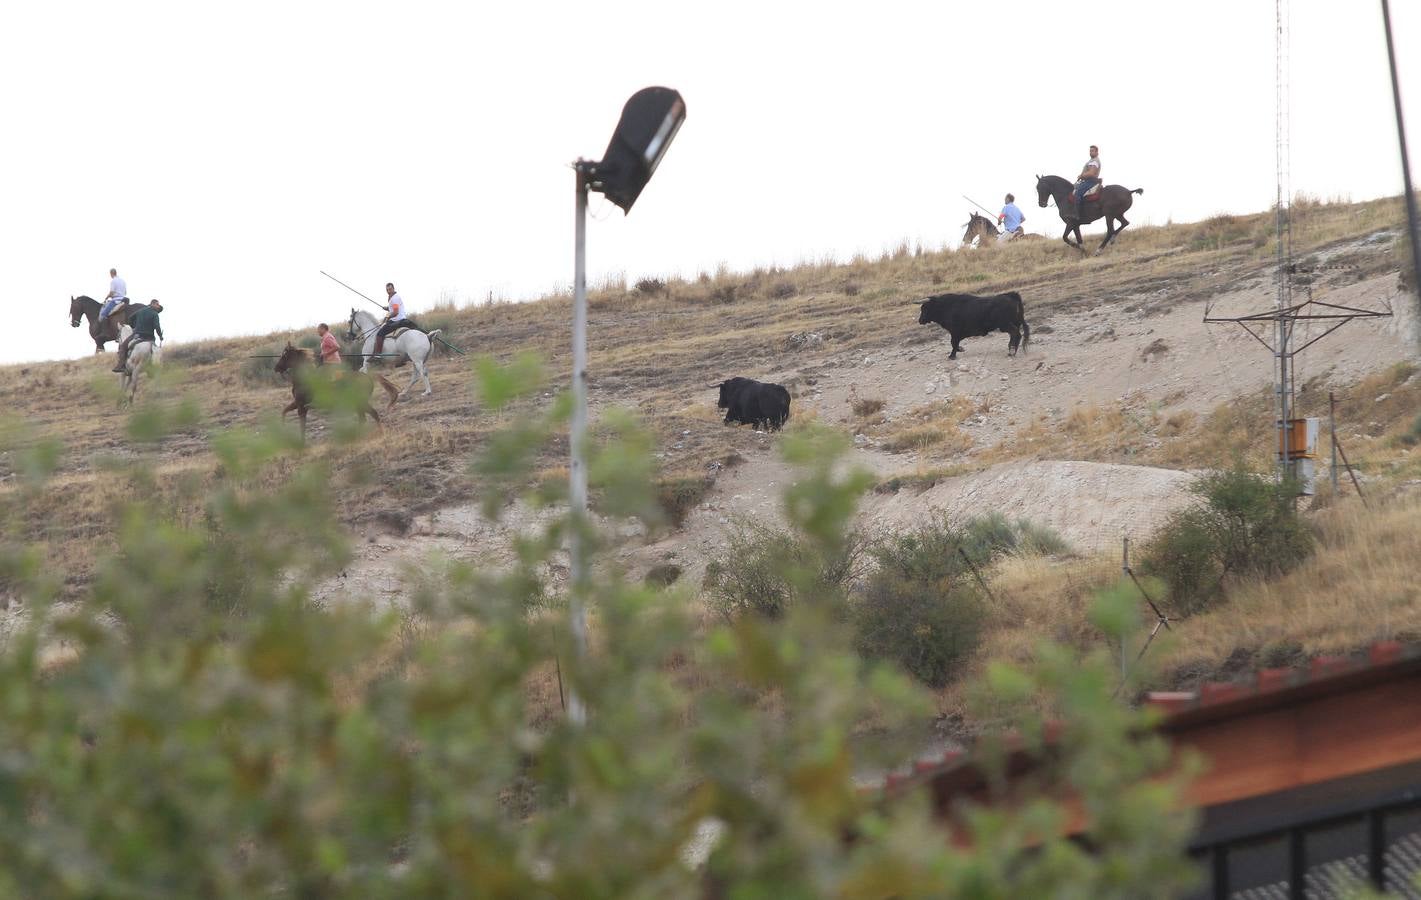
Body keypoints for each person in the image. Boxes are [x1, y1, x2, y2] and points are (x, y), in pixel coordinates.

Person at [112, 300, 163, 372]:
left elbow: (130, 318)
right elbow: (157, 326)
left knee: (123, 347)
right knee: (155, 351)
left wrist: (134, 327)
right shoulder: (155, 314)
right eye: (157, 304)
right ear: (152, 304)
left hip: (137, 335)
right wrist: (160, 336)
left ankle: (121, 365)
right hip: (149, 337)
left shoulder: (140, 311)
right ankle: (152, 367)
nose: (158, 306)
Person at [371, 282, 413, 360]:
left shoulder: (394, 298)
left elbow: (396, 312)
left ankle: (378, 354)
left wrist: (387, 317)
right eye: (387, 290)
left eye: (390, 289)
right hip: (399, 319)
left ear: (393, 288)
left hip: (397, 320)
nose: (388, 291)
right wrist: (387, 308)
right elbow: (394, 308)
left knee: (380, 333)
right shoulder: (393, 297)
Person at [1072, 145, 1102, 218]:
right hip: (1087, 181)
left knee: (1077, 193)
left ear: (1097, 152)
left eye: (1092, 151)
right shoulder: (1092, 161)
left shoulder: (1094, 161)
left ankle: (1077, 215)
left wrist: (1081, 176)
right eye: (1090, 151)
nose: (1091, 152)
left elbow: (1091, 173)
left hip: (1090, 181)